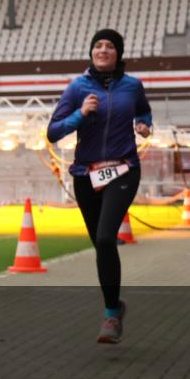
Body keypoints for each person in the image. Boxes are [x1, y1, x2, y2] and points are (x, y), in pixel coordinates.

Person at [47, 29, 152, 344]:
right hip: (85, 174)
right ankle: (117, 305)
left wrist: (145, 125)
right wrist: (80, 114)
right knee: (101, 245)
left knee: (107, 237)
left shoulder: (132, 86)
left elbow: (144, 110)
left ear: (118, 53)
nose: (103, 49)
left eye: (109, 46)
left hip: (123, 169)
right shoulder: (78, 87)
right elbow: (53, 132)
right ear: (91, 52)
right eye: (98, 45)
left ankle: (109, 317)